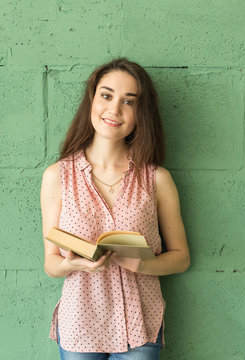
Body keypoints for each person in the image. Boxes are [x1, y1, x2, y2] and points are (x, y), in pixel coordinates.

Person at [40, 58, 190, 360]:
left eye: (129, 102)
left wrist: (143, 265)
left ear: (140, 113)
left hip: (139, 325)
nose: (114, 110)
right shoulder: (57, 176)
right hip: (79, 323)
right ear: (92, 100)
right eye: (106, 95)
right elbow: (51, 263)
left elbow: (181, 258)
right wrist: (75, 264)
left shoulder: (156, 179)